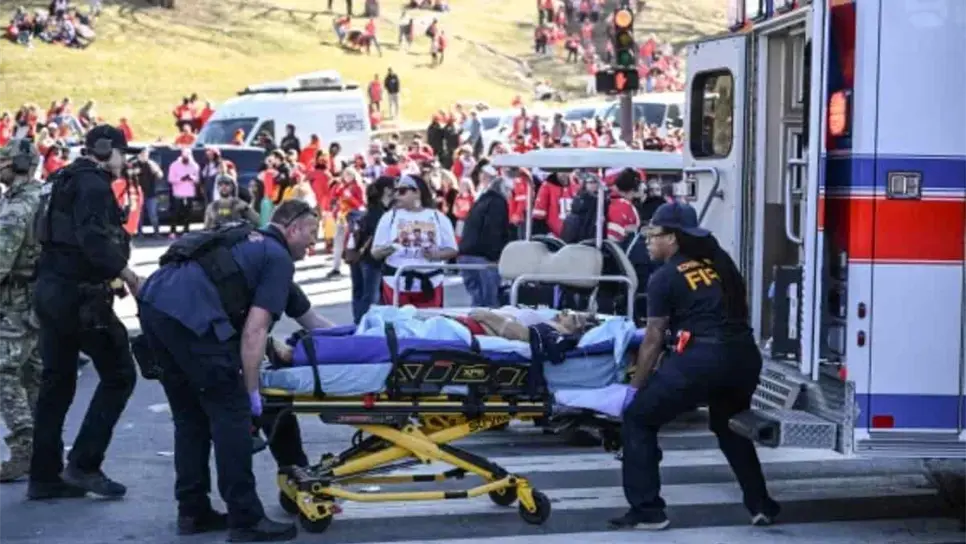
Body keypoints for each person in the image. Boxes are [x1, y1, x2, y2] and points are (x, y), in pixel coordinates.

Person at [135, 199, 332, 541]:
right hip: (192, 320)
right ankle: (246, 520)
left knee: (191, 417)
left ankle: (193, 511)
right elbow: (254, 332)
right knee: (232, 415)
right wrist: (251, 392)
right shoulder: (277, 258)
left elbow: (311, 320)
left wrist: (358, 339)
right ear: (292, 228)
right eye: (312, 233)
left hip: (156, 307)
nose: (314, 241)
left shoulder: (252, 245)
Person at [610, 202, 780, 530]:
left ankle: (648, 511)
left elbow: (653, 338)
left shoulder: (664, 277)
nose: (647, 240)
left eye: (653, 234)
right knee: (729, 425)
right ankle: (761, 505)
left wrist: (635, 388)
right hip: (744, 358)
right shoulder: (721, 264)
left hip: (701, 359)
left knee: (639, 419)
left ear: (672, 238)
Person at [28, 125, 142, 501]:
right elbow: (94, 240)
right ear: (107, 150)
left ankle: (44, 476)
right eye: (122, 153)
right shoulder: (93, 185)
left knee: (56, 382)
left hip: (50, 290)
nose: (124, 162)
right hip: (80, 297)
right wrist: (127, 275)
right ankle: (84, 464)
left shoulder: (60, 179)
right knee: (120, 374)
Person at [0, 139, 44, 482]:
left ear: (15, 165)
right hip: (38, 299)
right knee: (32, 372)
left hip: (16, 302)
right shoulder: (42, 196)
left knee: (4, 372)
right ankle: (44, 447)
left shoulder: (17, 207)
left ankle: (24, 448)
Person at [371, 174, 457, 308]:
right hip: (396, 283)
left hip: (431, 283)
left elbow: (452, 249)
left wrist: (437, 255)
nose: (397, 195)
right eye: (395, 191)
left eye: (402, 191)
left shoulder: (439, 217)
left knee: (429, 320)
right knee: (399, 321)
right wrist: (391, 248)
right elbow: (375, 253)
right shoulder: (389, 217)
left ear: (417, 192)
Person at [457, 164, 511, 308]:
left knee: (477, 300)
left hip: (466, 254)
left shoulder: (481, 201)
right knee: (489, 303)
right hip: (483, 258)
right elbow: (494, 231)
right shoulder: (498, 203)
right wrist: (496, 256)